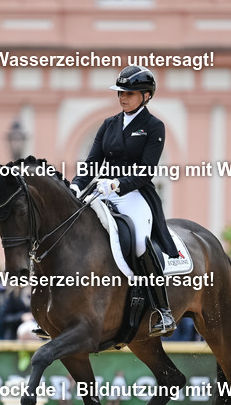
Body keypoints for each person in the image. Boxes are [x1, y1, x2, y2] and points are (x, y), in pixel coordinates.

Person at [70, 65, 178, 337]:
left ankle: (162, 310)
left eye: (129, 93)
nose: (122, 97)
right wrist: (75, 186)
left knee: (141, 240)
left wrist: (118, 183)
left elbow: (146, 170)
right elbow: (92, 162)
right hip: (102, 191)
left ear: (145, 96)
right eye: (120, 92)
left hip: (135, 195)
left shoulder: (154, 127)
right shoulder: (109, 124)